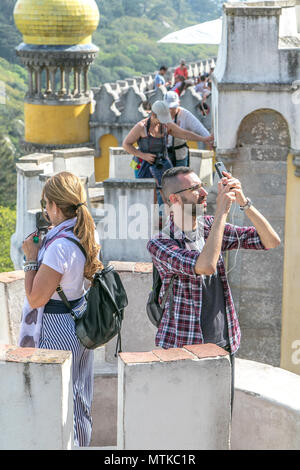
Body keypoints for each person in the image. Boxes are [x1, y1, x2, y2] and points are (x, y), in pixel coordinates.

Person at [147, 166, 280, 410]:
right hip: (185, 348)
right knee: (187, 419)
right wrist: (222, 213)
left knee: (221, 420)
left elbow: (270, 240)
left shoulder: (209, 228)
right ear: (174, 199)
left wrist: (244, 202)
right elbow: (205, 265)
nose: (204, 192)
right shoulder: (160, 243)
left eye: (201, 186)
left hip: (225, 343)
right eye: (194, 188)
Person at [20, 171, 102, 447]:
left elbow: (35, 299)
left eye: (46, 204)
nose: (45, 210)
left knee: (58, 395)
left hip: (57, 328)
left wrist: (31, 259)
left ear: (54, 206)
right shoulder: (83, 233)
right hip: (78, 319)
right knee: (78, 394)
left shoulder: (59, 247)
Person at [123, 100, 213, 206]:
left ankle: (165, 218)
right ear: (153, 115)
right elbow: (126, 144)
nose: (162, 121)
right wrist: (143, 155)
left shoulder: (166, 125)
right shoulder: (141, 127)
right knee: (149, 196)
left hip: (162, 163)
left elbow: (185, 134)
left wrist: (204, 139)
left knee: (168, 194)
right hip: (144, 164)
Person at [164, 90, 214, 167]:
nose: (170, 110)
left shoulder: (184, 114)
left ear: (178, 103)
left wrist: (208, 140)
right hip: (165, 154)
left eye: (173, 107)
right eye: (168, 107)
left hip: (180, 153)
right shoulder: (161, 116)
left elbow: (198, 128)